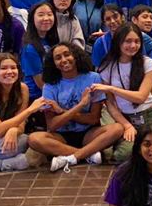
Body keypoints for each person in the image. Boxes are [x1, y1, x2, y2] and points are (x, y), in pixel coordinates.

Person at [29, 42, 125, 171]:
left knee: (117, 128)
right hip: (61, 137)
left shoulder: (93, 78)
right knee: (34, 139)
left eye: (67, 54)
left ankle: (71, 156)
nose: (63, 60)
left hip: (89, 134)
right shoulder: (49, 86)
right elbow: (52, 125)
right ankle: (87, 155)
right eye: (58, 58)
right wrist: (80, 106)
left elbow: (93, 118)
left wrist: (62, 111)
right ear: (54, 63)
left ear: (75, 56)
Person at [91, 25, 152, 158]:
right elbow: (110, 104)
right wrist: (126, 125)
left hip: (150, 115)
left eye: (137, 41)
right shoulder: (107, 66)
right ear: (118, 42)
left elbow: (141, 97)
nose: (133, 45)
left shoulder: (148, 63)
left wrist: (112, 88)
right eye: (128, 41)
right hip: (125, 117)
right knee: (123, 155)